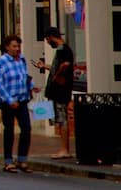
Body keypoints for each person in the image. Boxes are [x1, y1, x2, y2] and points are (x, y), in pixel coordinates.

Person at [0, 34, 39, 173]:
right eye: (14, 46)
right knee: (9, 131)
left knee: (26, 129)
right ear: (7, 47)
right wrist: (9, 100)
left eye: (18, 46)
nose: (17, 49)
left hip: (22, 99)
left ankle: (22, 159)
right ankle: (8, 161)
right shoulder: (2, 62)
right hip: (9, 102)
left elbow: (25, 75)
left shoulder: (22, 59)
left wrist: (32, 86)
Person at [35, 26, 74, 159]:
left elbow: (65, 65)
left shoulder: (63, 49)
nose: (47, 42)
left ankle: (64, 149)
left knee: (62, 118)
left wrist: (57, 76)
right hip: (57, 91)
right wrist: (45, 66)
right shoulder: (61, 50)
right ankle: (63, 148)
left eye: (47, 39)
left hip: (61, 91)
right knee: (58, 117)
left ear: (52, 37)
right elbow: (59, 66)